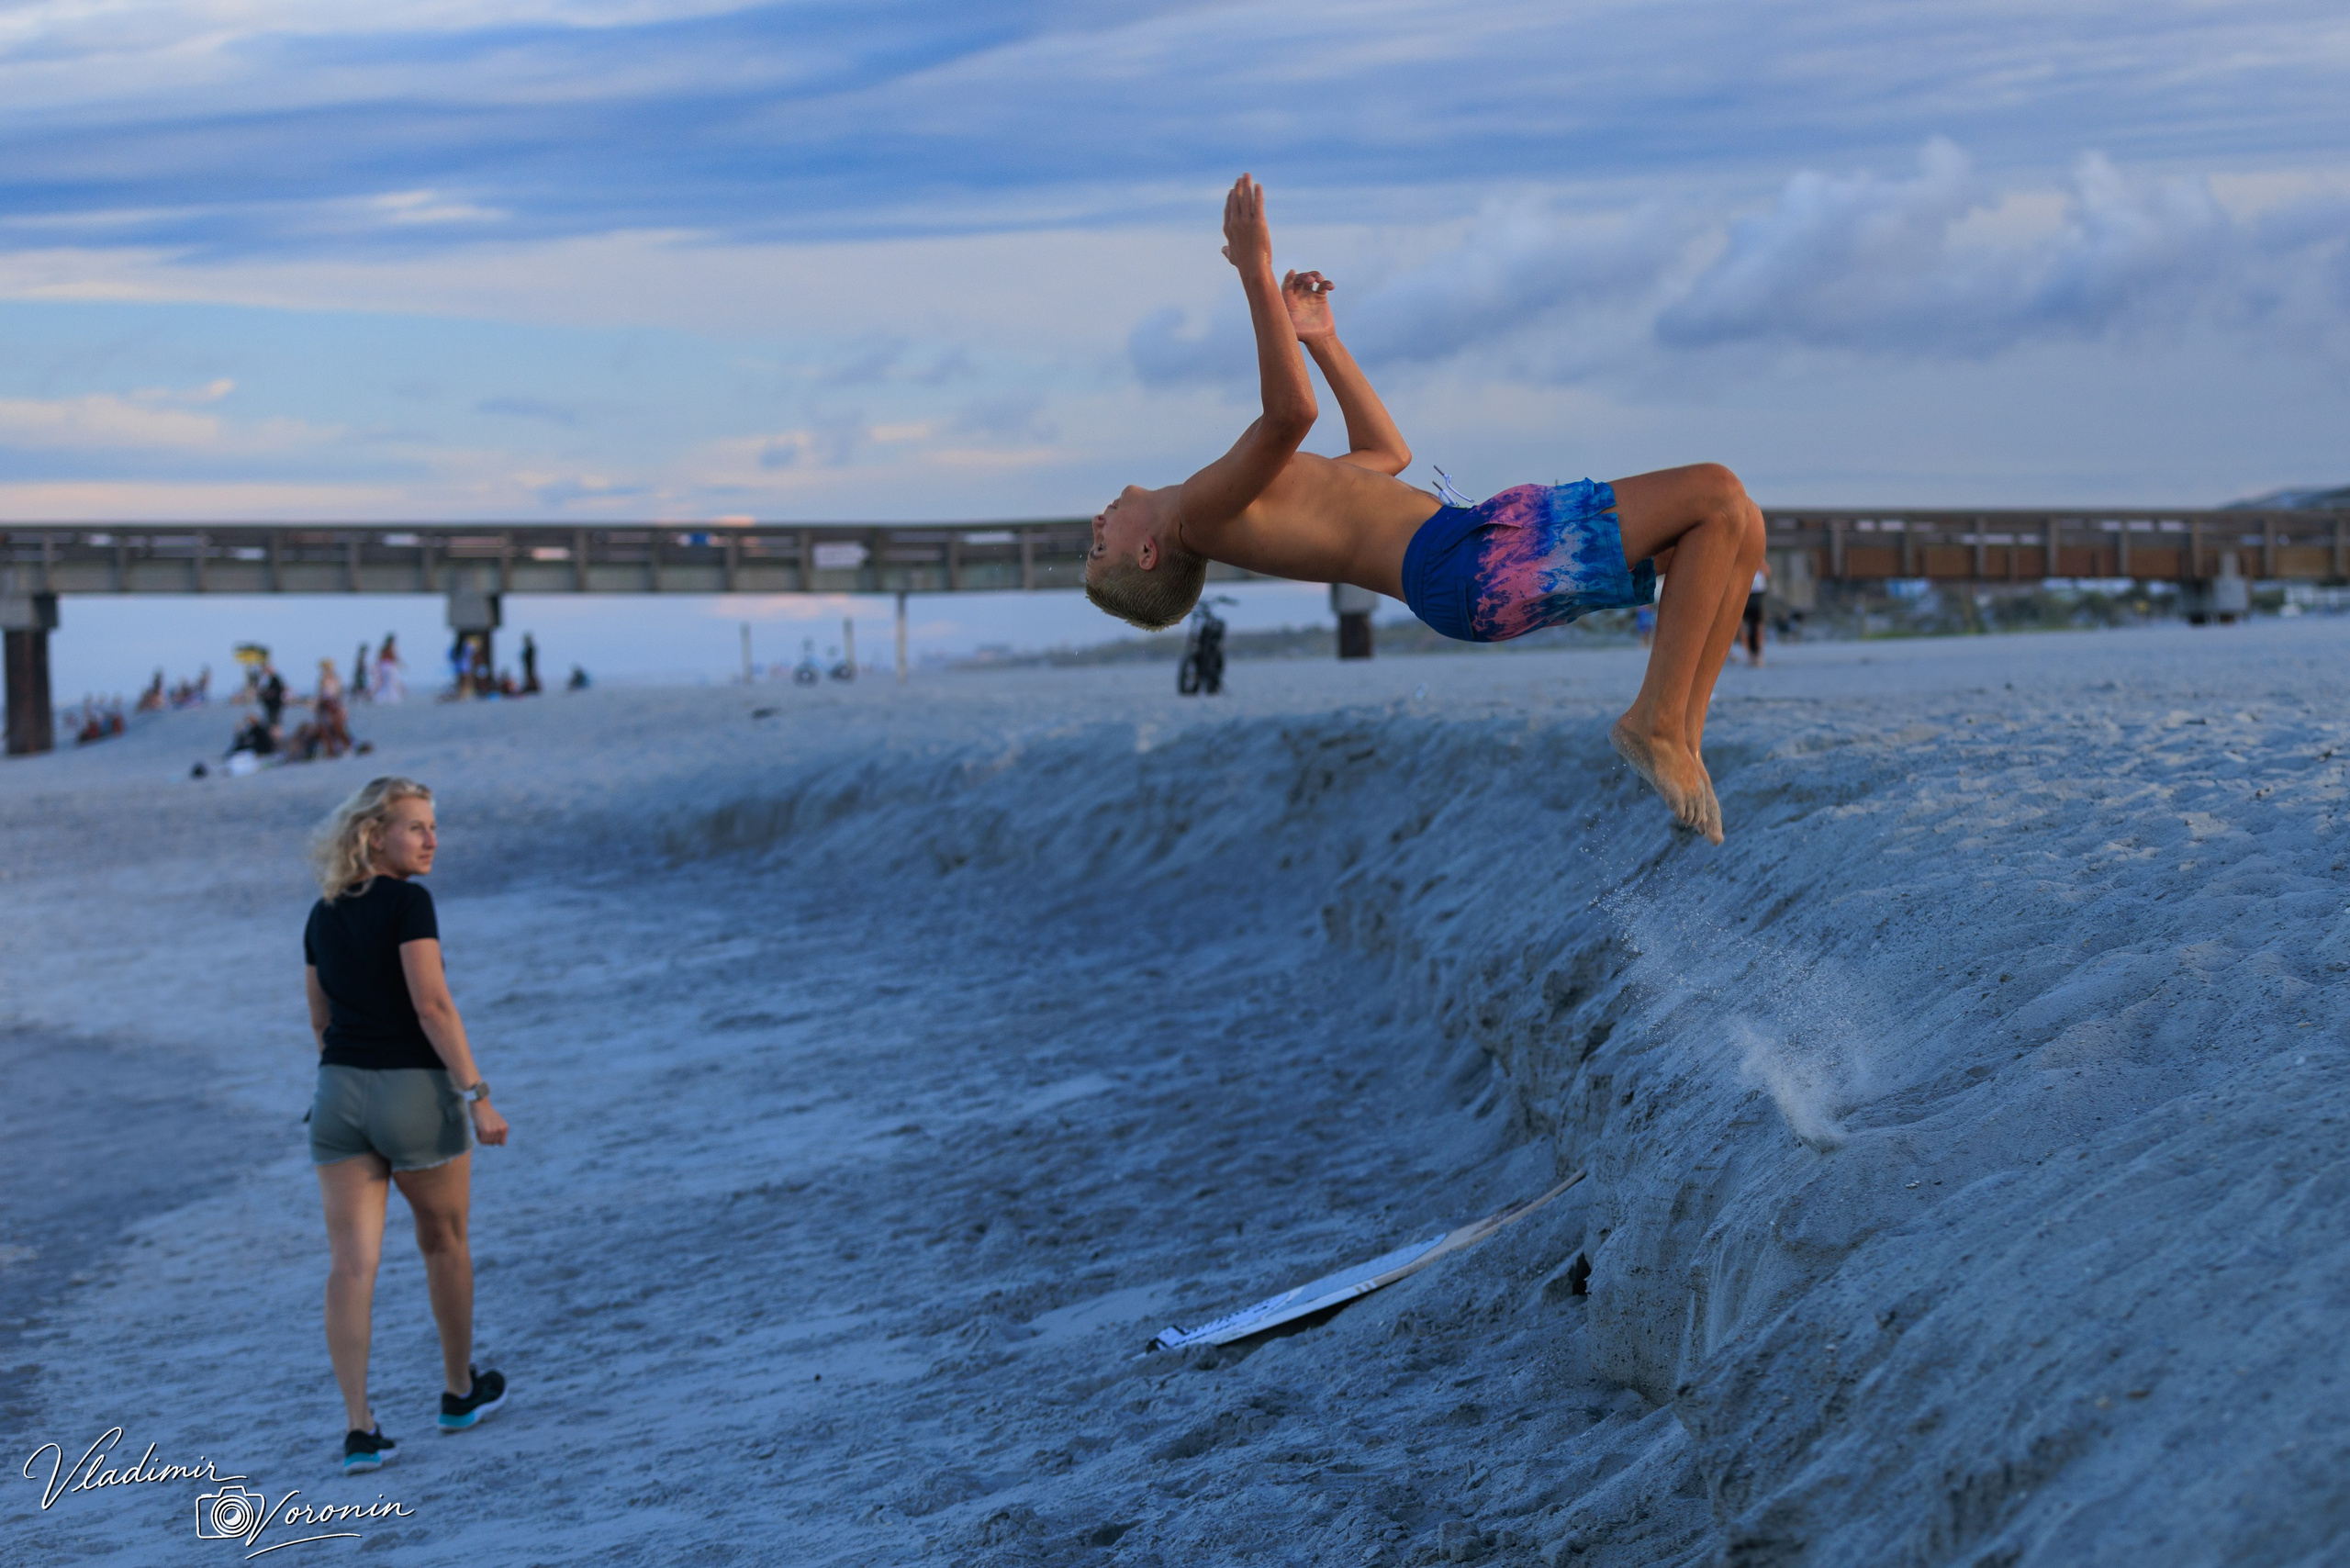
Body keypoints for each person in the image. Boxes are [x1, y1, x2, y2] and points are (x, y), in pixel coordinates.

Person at [1082, 175, 1764, 842]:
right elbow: (1290, 414)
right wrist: (1256, 272)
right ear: (1148, 554)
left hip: (1467, 555)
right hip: (1463, 563)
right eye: (1099, 547)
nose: (1095, 526)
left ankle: (1681, 736)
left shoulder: (1249, 508)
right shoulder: (1198, 516)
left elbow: (1385, 451)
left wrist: (1320, 338)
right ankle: (1658, 724)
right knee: (1715, 494)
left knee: (1740, 530)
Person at [302, 778, 510, 1473]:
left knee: (351, 1265)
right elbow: (432, 1006)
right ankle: (458, 1392)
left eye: (432, 826)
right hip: (414, 1094)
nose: (431, 839)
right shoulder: (409, 903)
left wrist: (351, 1075)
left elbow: (320, 1021)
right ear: (374, 834)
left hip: (337, 1097)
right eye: (416, 827)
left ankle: (360, 1429)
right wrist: (477, 1094)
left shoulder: (323, 912)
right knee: (444, 1241)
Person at [1740, 565, 1768, 666]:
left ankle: (1758, 653)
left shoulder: (1760, 562)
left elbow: (1767, 572)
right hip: (1747, 593)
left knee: (1758, 625)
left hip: (1757, 593)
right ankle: (1749, 654)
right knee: (1746, 626)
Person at [372, 634, 406, 705]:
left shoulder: (383, 648)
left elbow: (379, 658)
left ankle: (384, 697)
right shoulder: (391, 648)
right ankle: (391, 698)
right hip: (389, 666)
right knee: (391, 682)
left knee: (385, 683)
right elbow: (395, 658)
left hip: (383, 666)